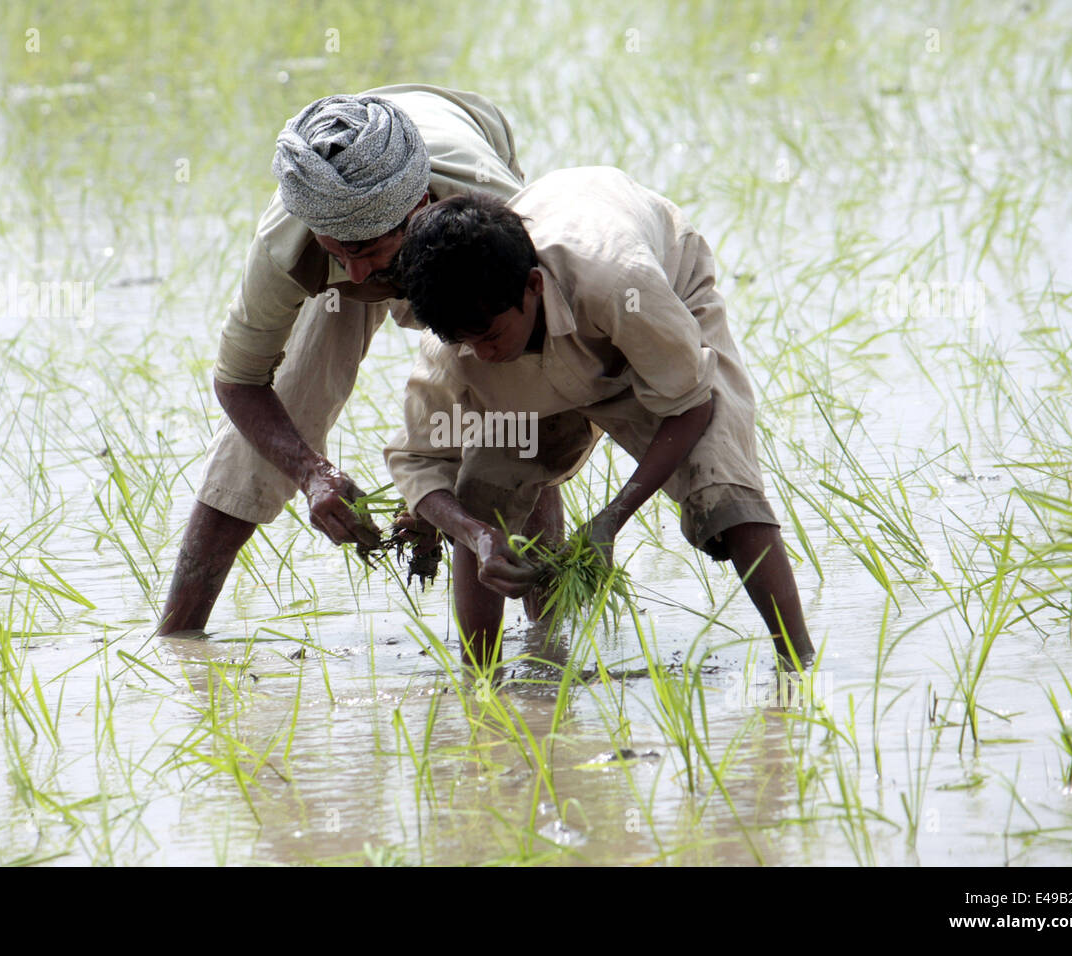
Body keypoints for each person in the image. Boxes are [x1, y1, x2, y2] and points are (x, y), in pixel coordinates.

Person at [159, 84, 565, 634]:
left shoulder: (494, 213)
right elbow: (238, 381)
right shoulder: (290, 243)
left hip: (453, 212)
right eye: (337, 252)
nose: (354, 275)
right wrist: (312, 475)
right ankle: (178, 636)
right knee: (281, 409)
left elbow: (540, 369)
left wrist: (435, 492)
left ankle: (549, 641)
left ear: (418, 211)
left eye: (368, 251)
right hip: (354, 208)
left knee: (511, 405)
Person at [384, 166, 815, 669]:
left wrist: (612, 518)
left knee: (722, 487)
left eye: (488, 335)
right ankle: (482, 682)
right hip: (545, 348)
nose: (479, 353)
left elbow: (691, 402)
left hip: (655, 321)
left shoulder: (621, 283)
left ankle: (799, 663)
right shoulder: (457, 345)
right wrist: (476, 535)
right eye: (463, 340)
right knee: (481, 491)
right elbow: (418, 461)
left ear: (533, 286)